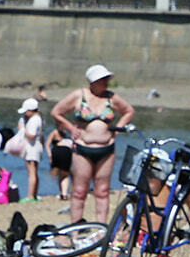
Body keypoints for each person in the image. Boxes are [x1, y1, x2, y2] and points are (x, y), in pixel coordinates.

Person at [50, 64, 135, 224]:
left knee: (102, 191)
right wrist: (70, 128)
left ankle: (101, 228)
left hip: (107, 149)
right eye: (103, 80)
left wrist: (117, 130)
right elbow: (56, 112)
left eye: (107, 79)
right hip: (82, 148)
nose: (106, 83)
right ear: (93, 81)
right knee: (79, 191)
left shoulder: (111, 97)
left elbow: (129, 111)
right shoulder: (78, 95)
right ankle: (75, 228)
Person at [13, 98, 43, 202]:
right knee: (34, 171)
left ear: (30, 110)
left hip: (32, 147)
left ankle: (30, 196)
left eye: (26, 111)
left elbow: (31, 136)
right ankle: (34, 194)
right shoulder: (38, 118)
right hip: (36, 146)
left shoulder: (35, 120)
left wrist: (22, 128)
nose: (25, 114)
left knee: (31, 172)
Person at [45, 125, 73, 201]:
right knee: (65, 174)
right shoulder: (70, 131)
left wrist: (50, 155)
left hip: (56, 151)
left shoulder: (54, 132)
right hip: (66, 151)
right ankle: (64, 194)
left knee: (59, 173)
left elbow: (47, 145)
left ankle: (62, 193)